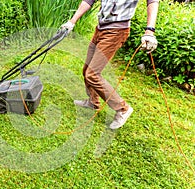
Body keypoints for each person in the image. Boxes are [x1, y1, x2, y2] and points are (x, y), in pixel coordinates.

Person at [61, 0, 159, 129]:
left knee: (92, 74)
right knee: (87, 69)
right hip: (100, 28)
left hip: (116, 31)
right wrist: (71, 21)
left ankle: (123, 108)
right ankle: (93, 102)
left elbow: (152, 1)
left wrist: (149, 31)